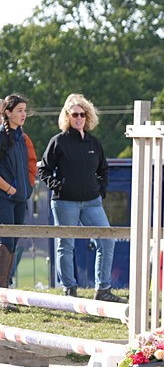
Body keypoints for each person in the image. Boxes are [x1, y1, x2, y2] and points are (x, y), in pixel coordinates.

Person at [38, 94, 122, 301]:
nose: (79, 118)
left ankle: (103, 290)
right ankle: (69, 288)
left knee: (107, 240)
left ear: (88, 116)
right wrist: (60, 187)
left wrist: (100, 189)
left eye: (82, 114)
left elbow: (104, 169)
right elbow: (44, 171)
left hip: (92, 202)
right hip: (64, 202)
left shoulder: (94, 142)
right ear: (67, 116)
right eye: (74, 114)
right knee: (66, 245)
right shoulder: (58, 141)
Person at [0, 94, 37, 298]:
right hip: (4, 198)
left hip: (21, 200)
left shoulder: (22, 138)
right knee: (5, 242)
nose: (23, 114)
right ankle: (3, 294)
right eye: (19, 111)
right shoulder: (0, 136)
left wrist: (27, 188)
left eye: (25, 110)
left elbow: (29, 166)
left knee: (14, 241)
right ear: (8, 113)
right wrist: (9, 189)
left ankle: (6, 287)